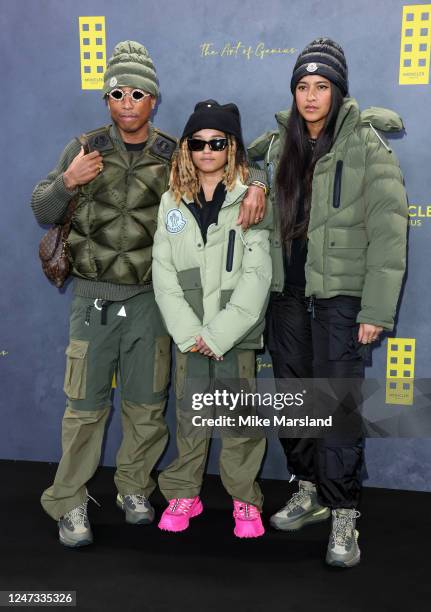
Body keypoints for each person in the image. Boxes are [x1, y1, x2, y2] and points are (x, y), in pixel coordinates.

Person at [31, 41, 266, 548]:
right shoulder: (82, 148)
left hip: (150, 303)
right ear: (107, 99)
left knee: (146, 405)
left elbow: (230, 167)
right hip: (92, 301)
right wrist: (66, 183)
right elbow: (42, 209)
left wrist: (260, 184)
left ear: (153, 99)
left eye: (138, 92)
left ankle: (134, 488)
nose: (127, 101)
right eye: (117, 92)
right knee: (85, 408)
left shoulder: (171, 154)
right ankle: (68, 500)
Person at [248, 38, 408, 566]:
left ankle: (344, 514)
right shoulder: (278, 145)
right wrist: (252, 181)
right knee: (294, 401)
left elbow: (388, 234)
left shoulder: (366, 145)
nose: (310, 96)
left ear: (338, 92)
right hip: (288, 298)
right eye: (301, 86)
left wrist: (376, 312)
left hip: (341, 300)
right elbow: (228, 162)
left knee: (336, 409)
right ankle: (309, 489)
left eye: (320, 86)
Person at [152, 100, 272, 538]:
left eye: (216, 142)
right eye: (198, 142)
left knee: (240, 421)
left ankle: (244, 499)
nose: (206, 150)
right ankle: (186, 492)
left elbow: (258, 278)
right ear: (186, 148)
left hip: (234, 335)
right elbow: (162, 274)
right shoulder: (171, 201)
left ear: (231, 147)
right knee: (189, 416)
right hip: (189, 335)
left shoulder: (253, 200)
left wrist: (218, 333)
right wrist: (189, 333)